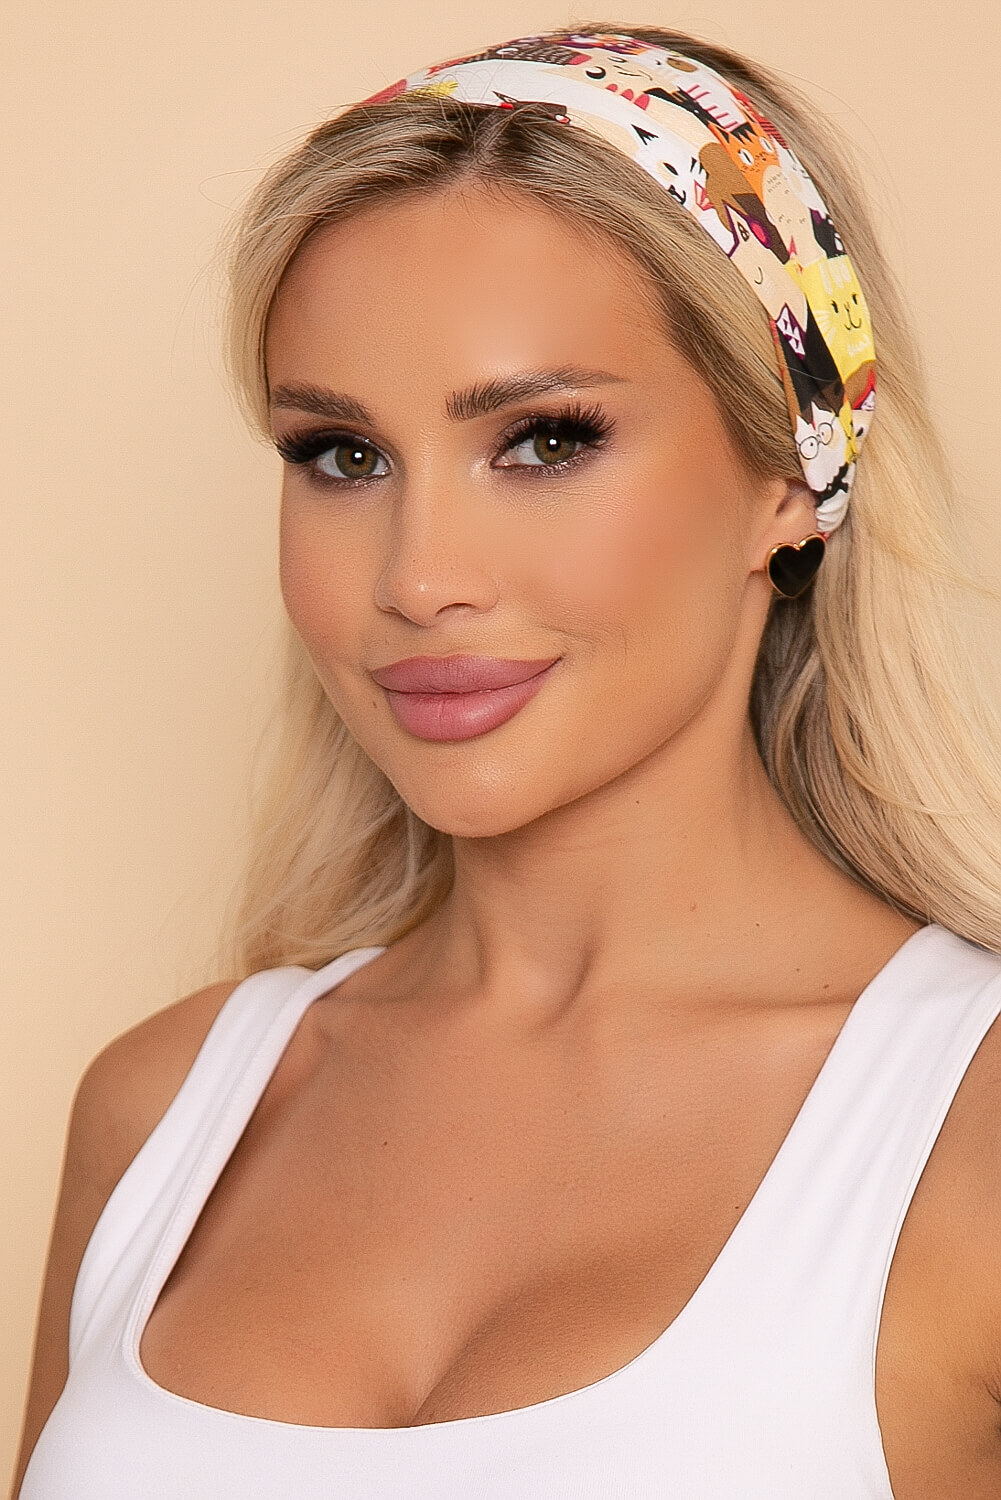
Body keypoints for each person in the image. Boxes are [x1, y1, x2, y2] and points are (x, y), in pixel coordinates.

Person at [11, 23, 1001, 1500]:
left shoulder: (971, 1135)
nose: (420, 579)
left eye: (543, 441)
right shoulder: (164, 1113)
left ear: (792, 471)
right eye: (341, 455)